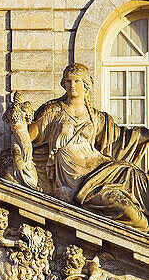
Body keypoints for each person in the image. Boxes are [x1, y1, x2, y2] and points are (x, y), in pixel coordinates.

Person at [18, 62, 149, 231]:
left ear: (86, 85)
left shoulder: (95, 117)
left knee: (132, 173)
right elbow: (27, 137)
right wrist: (19, 121)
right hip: (74, 177)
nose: (72, 85)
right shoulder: (53, 111)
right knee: (128, 211)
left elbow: (121, 139)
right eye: (68, 81)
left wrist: (146, 135)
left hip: (97, 165)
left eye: (77, 81)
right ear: (64, 84)